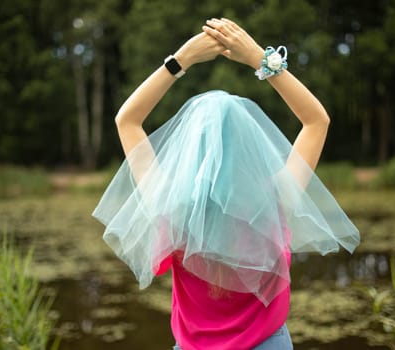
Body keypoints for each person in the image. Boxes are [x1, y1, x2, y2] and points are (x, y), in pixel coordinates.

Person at [93, 18, 359, 350]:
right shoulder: (276, 198)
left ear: (190, 148)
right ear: (249, 145)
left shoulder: (169, 203)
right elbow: (317, 121)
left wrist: (182, 59)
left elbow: (127, 120)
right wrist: (261, 59)